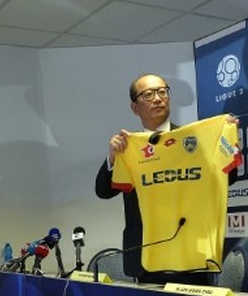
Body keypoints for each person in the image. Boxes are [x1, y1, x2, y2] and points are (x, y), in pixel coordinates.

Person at [97, 74, 240, 285]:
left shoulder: (195, 141)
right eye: (148, 94)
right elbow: (103, 191)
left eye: (162, 91)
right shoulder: (129, 148)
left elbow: (229, 178)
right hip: (146, 257)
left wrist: (226, 139)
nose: (157, 98)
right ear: (135, 107)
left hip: (191, 255)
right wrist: (112, 157)